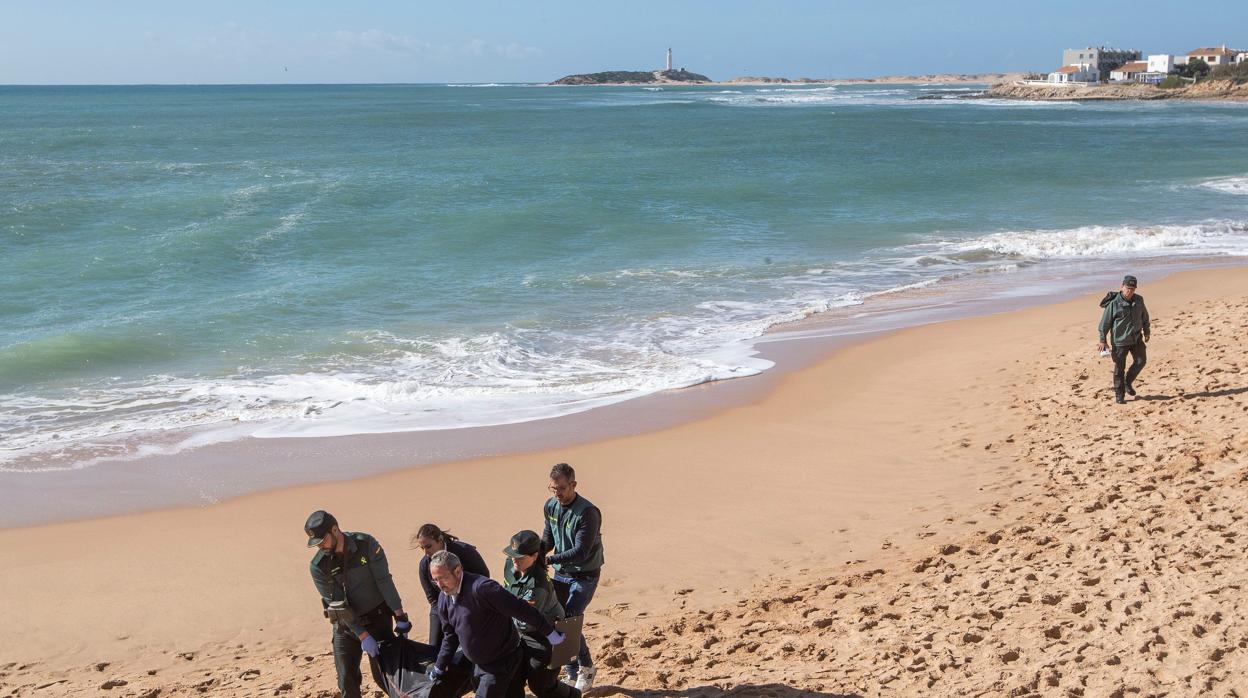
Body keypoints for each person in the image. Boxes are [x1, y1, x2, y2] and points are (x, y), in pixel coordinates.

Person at [426, 550, 566, 698]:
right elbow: (450, 635)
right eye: (435, 580)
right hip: (478, 665)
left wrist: (549, 633)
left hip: (502, 661)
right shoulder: (444, 598)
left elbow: (521, 609)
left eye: (443, 578)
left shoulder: (483, 588)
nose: (439, 585)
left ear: (458, 571)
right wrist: (440, 666)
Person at [305, 510, 412, 698]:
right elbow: (338, 605)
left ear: (335, 529)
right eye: (316, 544)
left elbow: (384, 580)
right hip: (345, 626)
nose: (320, 546)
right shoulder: (318, 566)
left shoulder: (366, 544)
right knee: (346, 679)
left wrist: (400, 615)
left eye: (322, 541)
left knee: (387, 676)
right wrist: (362, 635)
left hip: (378, 618)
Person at [541, 463, 604, 691]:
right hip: (561, 573)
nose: (557, 493)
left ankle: (586, 669)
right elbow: (548, 538)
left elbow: (581, 552)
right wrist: (535, 555)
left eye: (562, 488)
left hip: (584, 575)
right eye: (553, 488)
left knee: (569, 621)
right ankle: (570, 671)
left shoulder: (588, 512)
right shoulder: (551, 506)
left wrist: (549, 560)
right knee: (557, 618)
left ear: (573, 485)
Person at [502, 530, 581, 698]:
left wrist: (501, 616)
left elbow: (527, 622)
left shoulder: (537, 585)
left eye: (520, 557)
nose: (514, 560)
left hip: (543, 636)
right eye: (512, 555)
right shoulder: (511, 565)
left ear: (534, 556)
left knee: (541, 685)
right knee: (511, 680)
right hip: (518, 633)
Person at [412, 524, 491, 648]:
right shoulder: (424, 565)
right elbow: (433, 599)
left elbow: (484, 578)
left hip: (473, 604)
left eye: (428, 546)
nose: (426, 552)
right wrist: (448, 616)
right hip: (442, 608)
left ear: (440, 539)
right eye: (422, 548)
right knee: (434, 648)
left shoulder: (466, 552)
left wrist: (464, 611)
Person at [1098, 274, 1151, 404]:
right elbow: (1104, 323)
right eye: (1127, 288)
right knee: (1119, 369)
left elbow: (1145, 317)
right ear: (1122, 286)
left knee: (1141, 361)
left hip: (1136, 339)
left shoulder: (1139, 300)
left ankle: (1128, 382)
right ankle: (1119, 396)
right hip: (1120, 342)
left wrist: (1147, 331)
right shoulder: (1114, 304)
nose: (1130, 291)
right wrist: (1102, 340)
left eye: (1132, 289)